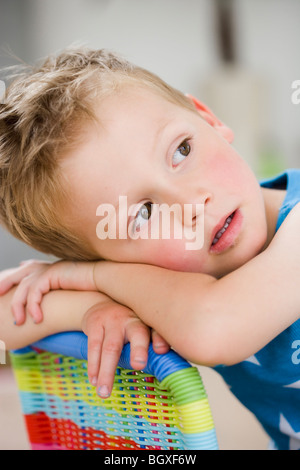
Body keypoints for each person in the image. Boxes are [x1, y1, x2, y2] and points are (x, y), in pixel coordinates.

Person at [0, 47, 300, 450]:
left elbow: (215, 328)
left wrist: (92, 277)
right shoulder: (163, 287)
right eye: (142, 214)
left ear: (208, 119)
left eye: (182, 150)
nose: (192, 205)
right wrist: (90, 308)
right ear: (112, 256)